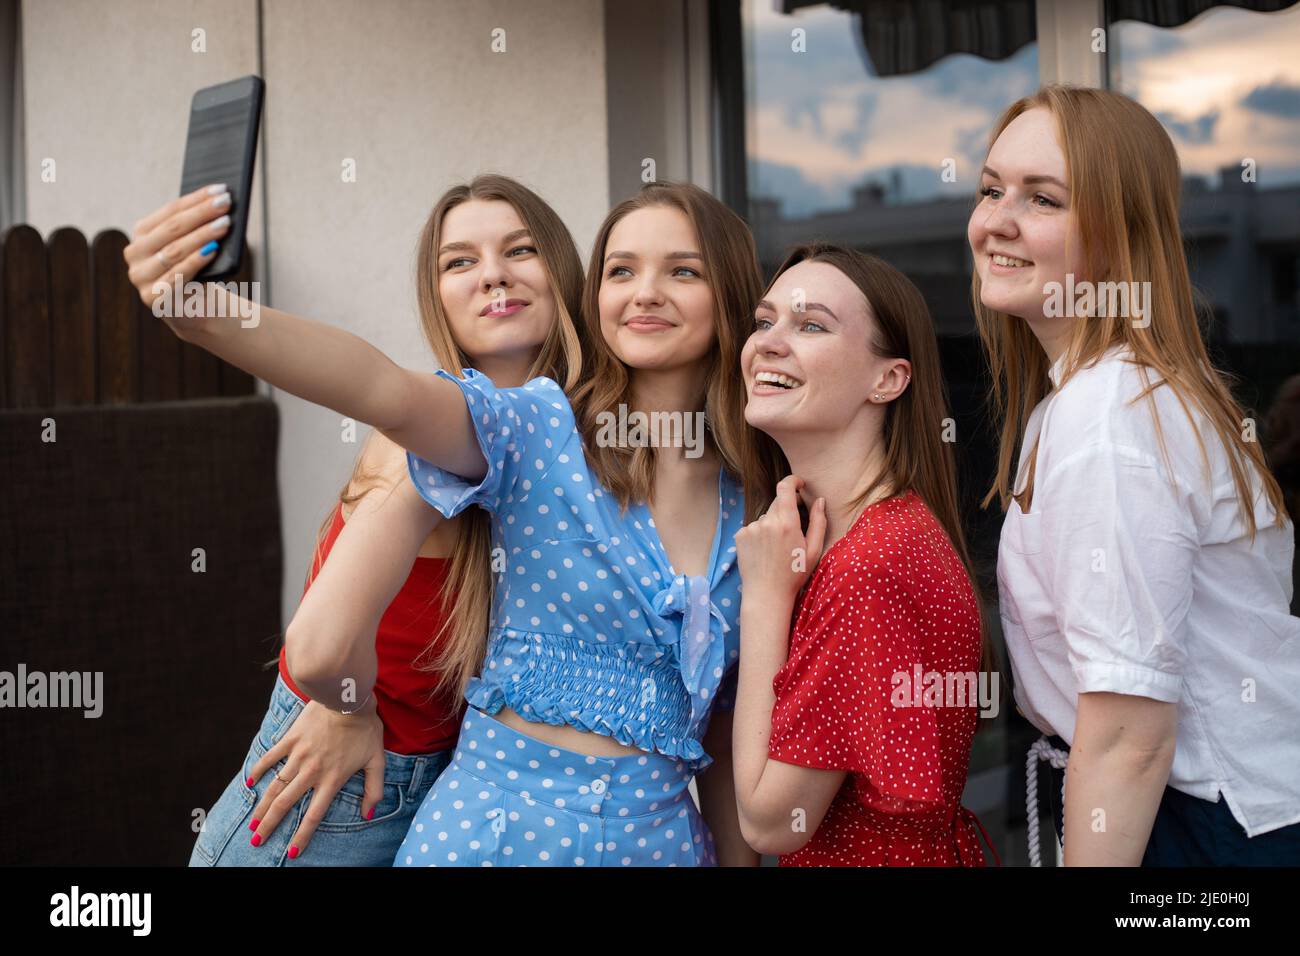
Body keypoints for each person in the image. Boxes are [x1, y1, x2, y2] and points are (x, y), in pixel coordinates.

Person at [125, 179, 777, 866]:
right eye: (622, 270)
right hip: (361, 781)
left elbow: (722, 725)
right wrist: (199, 313)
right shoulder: (520, 427)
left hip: (573, 818)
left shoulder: (753, 502)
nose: (646, 291)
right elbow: (381, 388)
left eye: (683, 270)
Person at [130, 174, 589, 864]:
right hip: (342, 782)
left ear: (561, 270)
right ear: (437, 296)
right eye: (459, 261)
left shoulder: (570, 439)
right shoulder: (430, 427)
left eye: (519, 251)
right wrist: (195, 309)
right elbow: (371, 382)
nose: (493, 275)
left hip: (453, 792)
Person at [970, 84, 1300, 866]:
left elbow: (1128, 739)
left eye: (1042, 199)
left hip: (1211, 822)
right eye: (990, 189)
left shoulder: (1111, 412)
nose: (996, 221)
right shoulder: (1082, 400)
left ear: (1118, 237)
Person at [730, 243, 997, 866]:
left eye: (811, 324)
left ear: (889, 379)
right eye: (764, 321)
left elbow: (770, 823)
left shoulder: (869, 567)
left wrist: (765, 597)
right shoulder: (888, 533)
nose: (767, 342)